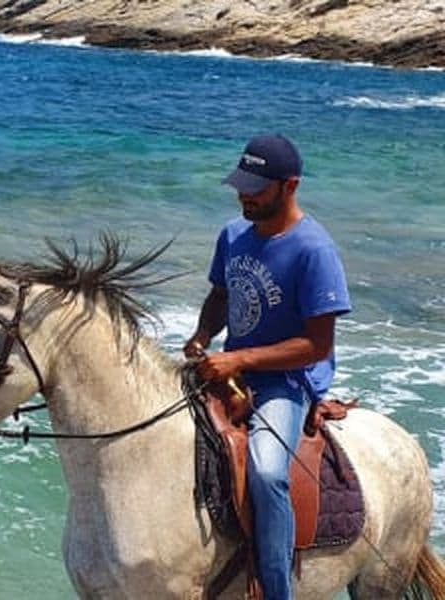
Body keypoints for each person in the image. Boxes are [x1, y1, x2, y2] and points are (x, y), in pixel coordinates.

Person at [183, 134, 351, 599]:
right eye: (241, 185)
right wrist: (202, 335)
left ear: (289, 185)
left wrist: (239, 357)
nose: (243, 195)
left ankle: (276, 589)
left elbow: (317, 345)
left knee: (267, 472)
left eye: (255, 188)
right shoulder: (233, 234)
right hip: (231, 368)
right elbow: (220, 296)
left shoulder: (314, 250)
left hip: (285, 381)